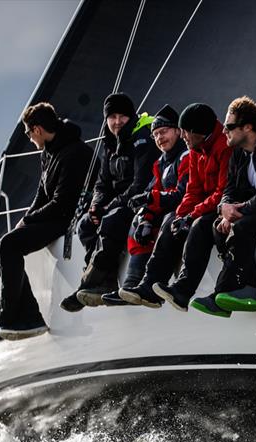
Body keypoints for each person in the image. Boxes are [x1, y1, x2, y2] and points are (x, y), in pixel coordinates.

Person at [156, 96, 256, 317]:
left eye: (230, 127)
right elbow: (230, 189)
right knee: (213, 226)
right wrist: (225, 208)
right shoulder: (240, 152)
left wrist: (238, 210)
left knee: (241, 227)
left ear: (248, 127)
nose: (223, 131)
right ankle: (242, 288)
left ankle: (224, 293)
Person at [0, 103, 92, 342]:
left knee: (9, 246)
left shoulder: (75, 153)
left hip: (65, 219)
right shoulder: (48, 151)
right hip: (52, 216)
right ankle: (28, 316)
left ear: (38, 129)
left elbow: (63, 204)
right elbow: (41, 194)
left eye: (28, 133)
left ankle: (10, 318)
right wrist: (24, 220)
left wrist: (30, 219)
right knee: (1, 246)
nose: (29, 138)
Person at [119, 103, 231, 310]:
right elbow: (193, 190)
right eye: (156, 134)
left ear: (197, 131)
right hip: (205, 205)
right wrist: (181, 215)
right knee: (172, 219)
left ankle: (182, 290)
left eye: (185, 132)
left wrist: (190, 216)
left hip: (221, 206)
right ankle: (148, 286)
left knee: (197, 225)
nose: (184, 137)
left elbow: (221, 192)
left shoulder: (223, 146)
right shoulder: (196, 148)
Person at [60, 92, 159, 311]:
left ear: (130, 116)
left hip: (137, 202)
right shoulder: (109, 143)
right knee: (85, 225)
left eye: (122, 116)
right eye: (112, 117)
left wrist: (109, 207)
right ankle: (105, 281)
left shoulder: (143, 138)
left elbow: (141, 183)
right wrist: (96, 205)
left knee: (112, 220)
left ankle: (86, 285)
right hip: (116, 203)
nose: (116, 122)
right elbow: (102, 183)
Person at [101, 104, 190, 305]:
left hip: (181, 211)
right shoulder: (160, 163)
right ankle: (131, 285)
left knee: (163, 219)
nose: (160, 138)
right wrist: (146, 217)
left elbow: (182, 194)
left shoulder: (185, 156)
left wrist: (151, 201)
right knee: (139, 219)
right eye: (156, 134)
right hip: (167, 209)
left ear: (178, 131)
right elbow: (152, 191)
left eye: (164, 132)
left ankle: (149, 285)